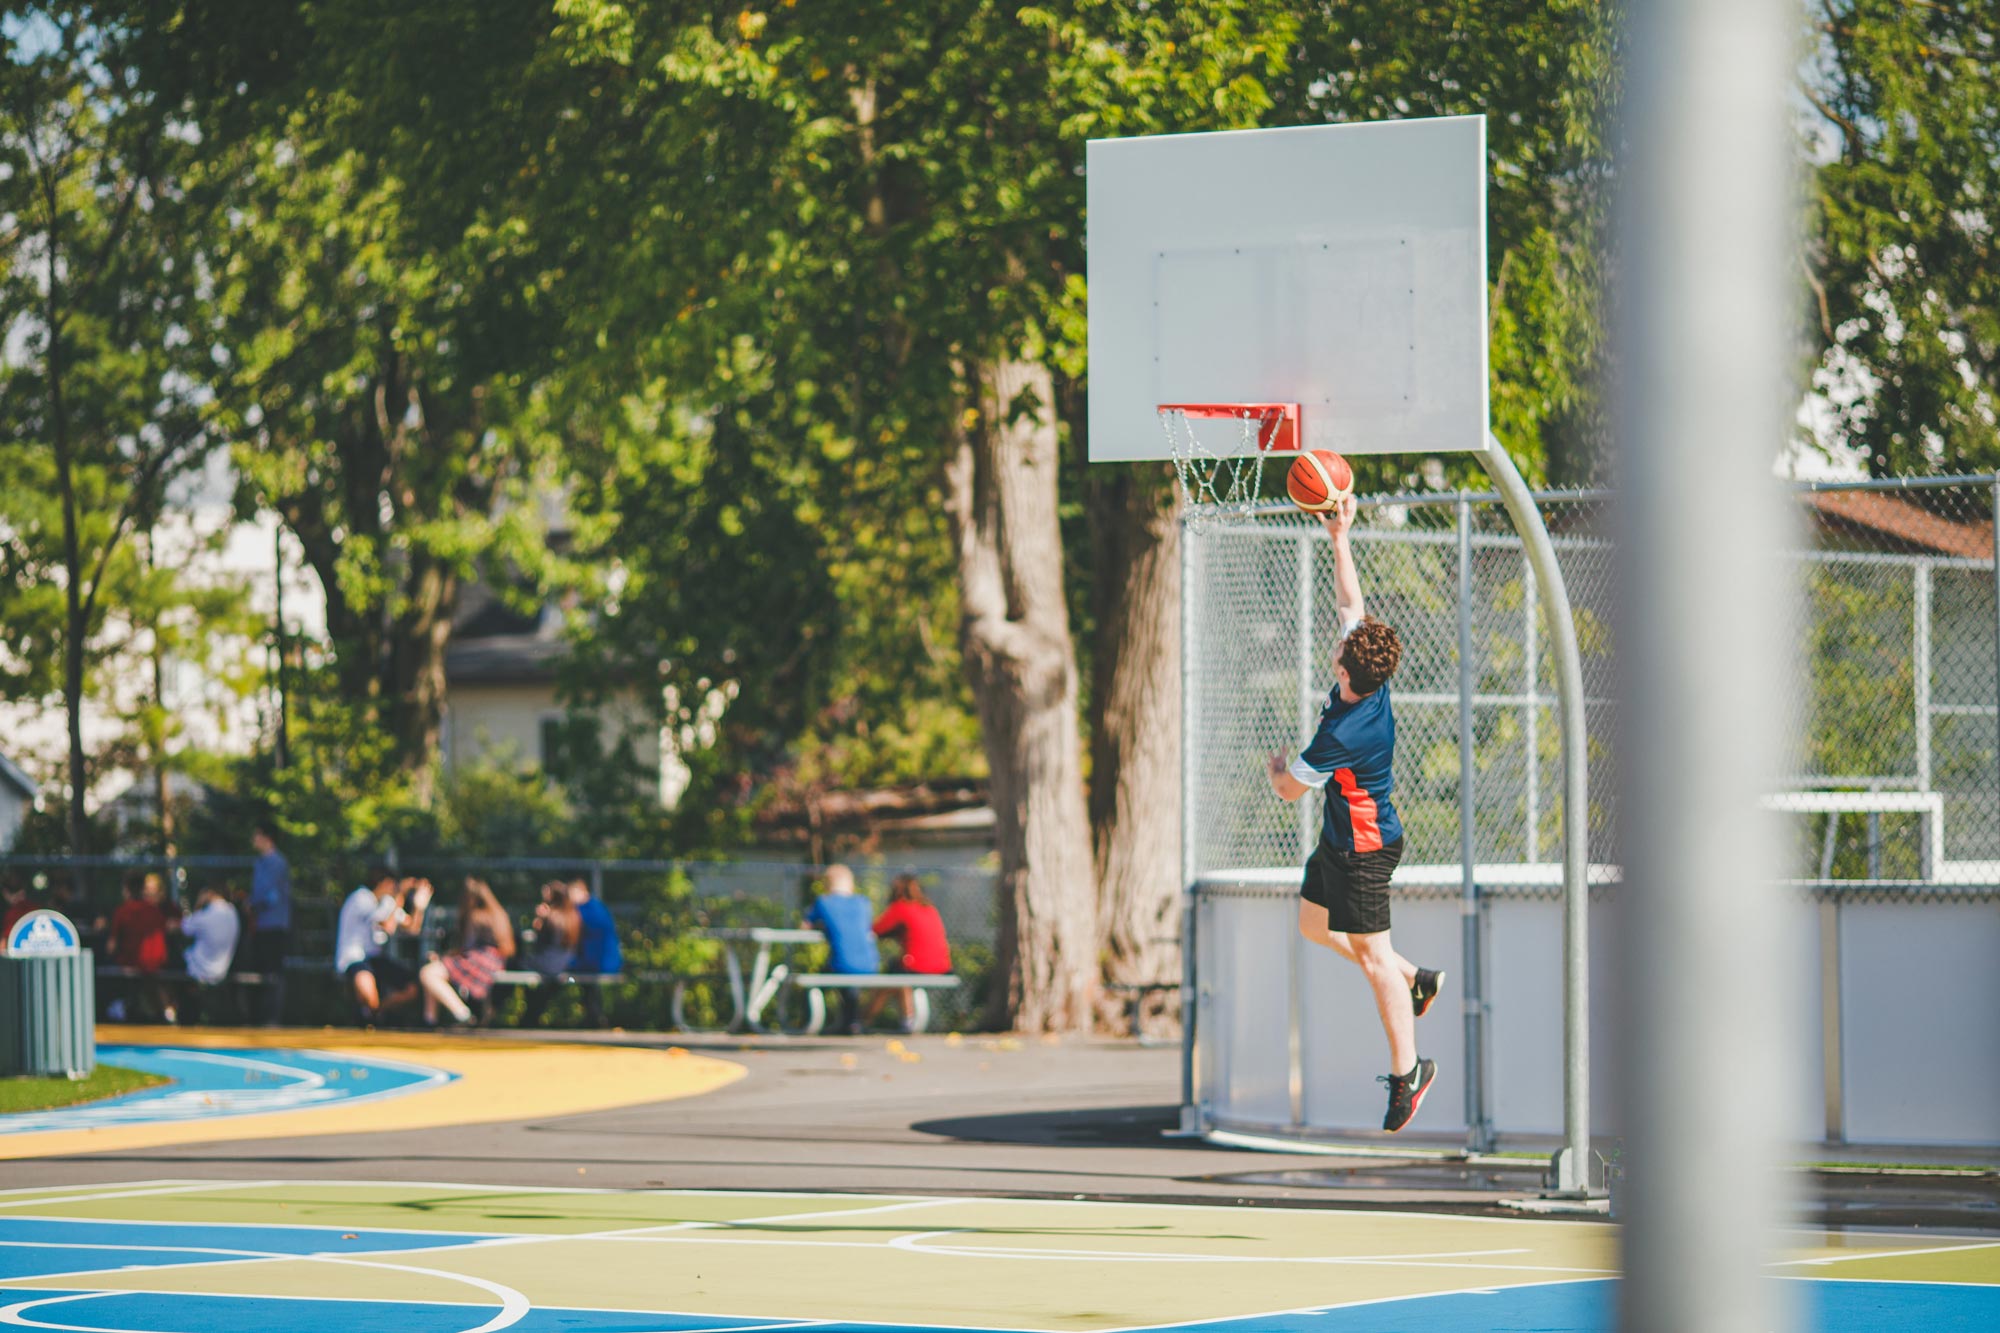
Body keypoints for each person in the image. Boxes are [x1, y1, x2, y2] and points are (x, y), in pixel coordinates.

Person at [1265, 494, 1445, 1133]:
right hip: (1342, 840)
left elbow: (1290, 791)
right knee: (1315, 928)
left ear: (1345, 668)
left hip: (1366, 849)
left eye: (1338, 652)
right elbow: (1350, 606)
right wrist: (1341, 536)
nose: (1335, 649)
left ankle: (1409, 1074)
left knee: (1373, 958)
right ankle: (1415, 979)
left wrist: (1277, 771)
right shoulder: (1367, 673)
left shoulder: (1345, 732)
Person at [334, 867, 430, 1025]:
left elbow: (412, 928)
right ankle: (371, 1013)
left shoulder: (387, 903)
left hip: (374, 958)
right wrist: (401, 895)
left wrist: (419, 907)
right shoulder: (360, 898)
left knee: (412, 989)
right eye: (394, 885)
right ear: (384, 883)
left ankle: (377, 1012)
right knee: (370, 1000)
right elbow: (388, 926)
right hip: (354, 958)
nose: (395, 889)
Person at [419, 878, 516, 1027]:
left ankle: (461, 1014)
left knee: (428, 973)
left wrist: (445, 957)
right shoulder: (498, 914)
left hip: (477, 961)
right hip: (494, 962)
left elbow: (467, 947)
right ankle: (430, 1019)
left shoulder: (475, 917)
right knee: (433, 972)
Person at [865, 874, 951, 1032]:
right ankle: (905, 1018)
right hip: (942, 965)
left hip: (916, 965)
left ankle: (866, 1020)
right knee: (897, 977)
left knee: (891, 980)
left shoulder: (901, 907)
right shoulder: (930, 909)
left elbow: (876, 929)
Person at [804, 864, 877, 1035]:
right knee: (848, 985)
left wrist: (822, 927)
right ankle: (850, 1022)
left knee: (819, 980)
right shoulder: (863, 902)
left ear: (827, 884)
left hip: (842, 963)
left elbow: (805, 925)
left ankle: (807, 1022)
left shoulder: (824, 902)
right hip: (870, 963)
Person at [106, 873, 171, 1022]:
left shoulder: (123, 911)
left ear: (127, 890)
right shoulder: (155, 910)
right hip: (155, 966)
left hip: (134, 965)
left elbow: (111, 946)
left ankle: (116, 1010)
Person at [175, 883, 241, 1024]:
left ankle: (171, 1014)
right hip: (222, 970)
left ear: (209, 893)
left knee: (169, 960)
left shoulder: (207, 913)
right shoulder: (232, 912)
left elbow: (185, 927)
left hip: (199, 968)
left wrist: (198, 906)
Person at [247, 822, 293, 1025]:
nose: (254, 840)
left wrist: (253, 904)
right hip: (262, 924)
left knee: (274, 972)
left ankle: (272, 1017)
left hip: (274, 924)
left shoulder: (276, 863)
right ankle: (259, 1016)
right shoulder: (260, 863)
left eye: (257, 835)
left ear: (267, 838)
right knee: (261, 969)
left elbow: (271, 895)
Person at [518, 881, 581, 1027]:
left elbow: (541, 943)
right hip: (566, 962)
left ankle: (529, 1015)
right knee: (541, 987)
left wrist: (540, 920)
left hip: (548, 963)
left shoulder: (551, 917)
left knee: (517, 964)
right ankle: (533, 1015)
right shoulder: (572, 916)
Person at [567, 877, 622, 1028]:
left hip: (597, 963)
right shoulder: (595, 908)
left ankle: (595, 1017)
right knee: (583, 982)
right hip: (595, 961)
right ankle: (594, 1016)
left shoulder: (587, 911)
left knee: (567, 973)